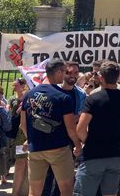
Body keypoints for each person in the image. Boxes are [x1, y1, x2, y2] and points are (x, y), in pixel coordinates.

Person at [21, 58, 82, 196]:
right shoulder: (63, 97)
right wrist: (77, 144)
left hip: (35, 148)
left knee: (35, 191)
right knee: (66, 189)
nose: (65, 75)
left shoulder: (28, 95)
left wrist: (29, 139)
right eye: (64, 71)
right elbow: (71, 128)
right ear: (59, 71)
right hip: (58, 149)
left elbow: (23, 124)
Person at [74, 61, 120, 196]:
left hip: (93, 155)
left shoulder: (93, 99)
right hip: (115, 155)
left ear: (101, 77)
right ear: (118, 76)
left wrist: (88, 142)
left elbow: (80, 128)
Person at [7, 78, 29, 196]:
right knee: (20, 162)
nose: (13, 87)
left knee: (27, 163)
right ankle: (16, 193)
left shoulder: (29, 97)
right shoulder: (12, 98)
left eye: (15, 85)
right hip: (18, 133)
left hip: (26, 133)